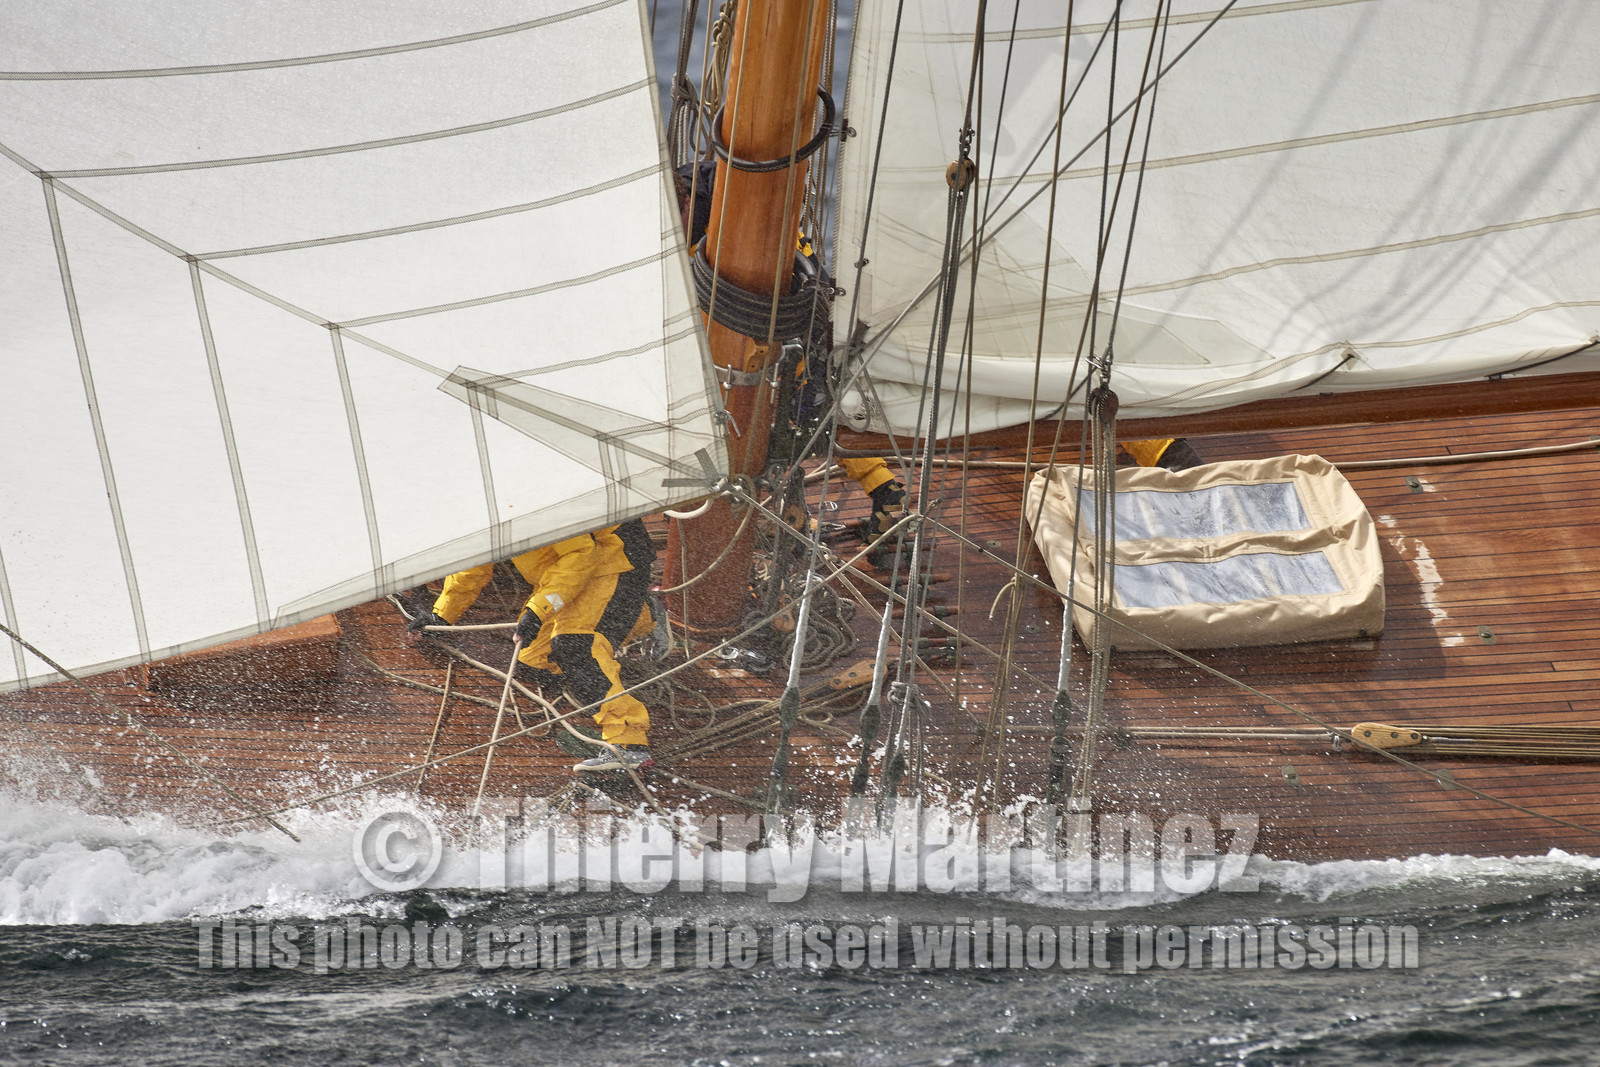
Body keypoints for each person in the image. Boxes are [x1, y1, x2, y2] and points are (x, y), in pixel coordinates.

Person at [409, 520, 663, 773]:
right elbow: (475, 561)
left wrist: (539, 609)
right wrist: (442, 615)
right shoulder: (481, 504)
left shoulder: (528, 492)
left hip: (612, 560)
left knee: (575, 646)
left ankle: (629, 744)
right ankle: (642, 614)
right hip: (567, 570)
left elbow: (581, 554)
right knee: (536, 661)